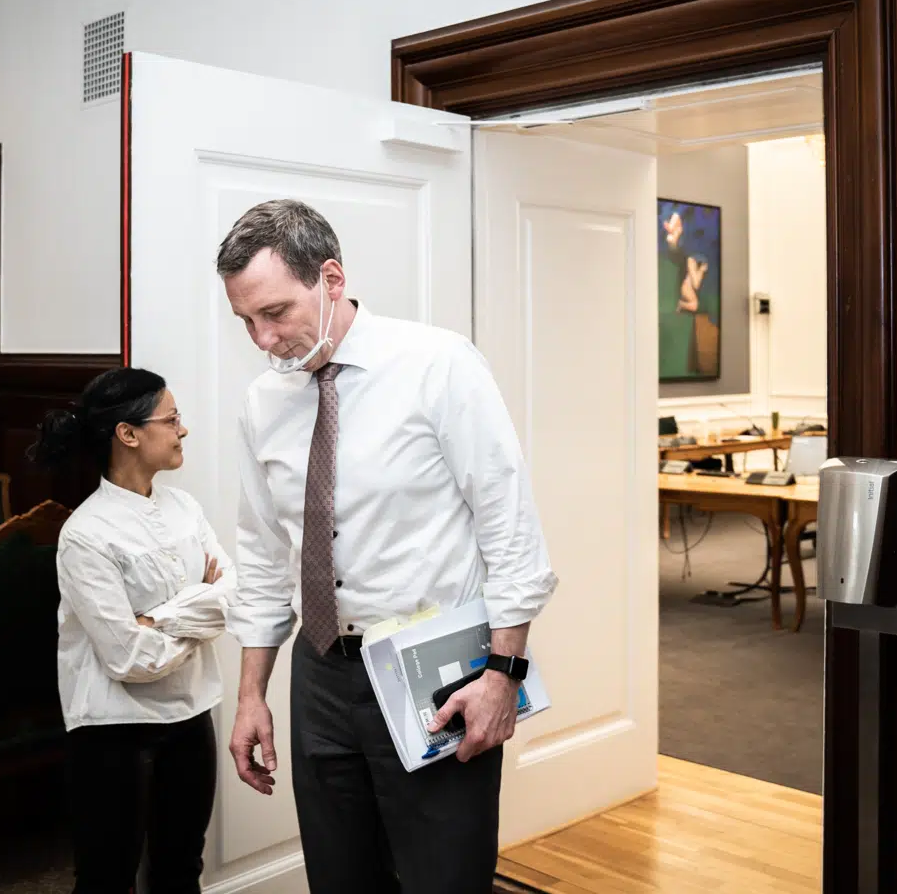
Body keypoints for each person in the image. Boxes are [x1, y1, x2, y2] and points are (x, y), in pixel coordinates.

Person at [216, 199, 557, 894]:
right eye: (245, 320)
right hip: (318, 675)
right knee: (342, 878)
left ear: (330, 278)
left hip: (433, 669)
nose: (262, 338)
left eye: (275, 313)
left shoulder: (438, 366)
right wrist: (251, 692)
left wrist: (504, 672)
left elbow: (510, 528)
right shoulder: (262, 403)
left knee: (443, 877)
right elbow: (261, 556)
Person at [29, 367, 231, 894]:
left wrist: (159, 618)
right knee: (107, 879)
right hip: (114, 732)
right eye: (172, 419)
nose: (182, 430)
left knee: (180, 869)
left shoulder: (185, 508)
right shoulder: (86, 534)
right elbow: (130, 660)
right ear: (129, 433)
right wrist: (196, 607)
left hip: (190, 717)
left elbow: (233, 597)